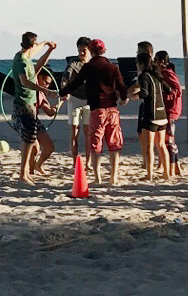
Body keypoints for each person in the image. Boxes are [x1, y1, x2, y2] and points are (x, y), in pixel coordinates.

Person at [58, 38, 126, 186]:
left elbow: (75, 83)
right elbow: (121, 86)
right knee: (114, 143)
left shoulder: (88, 67)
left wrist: (62, 92)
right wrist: (124, 97)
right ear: (104, 51)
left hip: (97, 109)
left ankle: (98, 178)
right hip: (112, 109)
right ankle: (113, 177)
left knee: (96, 144)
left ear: (91, 51)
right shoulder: (113, 67)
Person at [10, 32, 56, 183]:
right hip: (23, 105)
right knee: (29, 141)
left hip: (30, 105)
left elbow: (37, 66)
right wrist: (45, 90)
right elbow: (25, 82)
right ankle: (23, 175)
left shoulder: (25, 57)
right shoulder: (21, 61)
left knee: (32, 141)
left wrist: (47, 47)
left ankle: (28, 172)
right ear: (31, 46)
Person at [130, 40, 171, 180]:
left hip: (151, 115)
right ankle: (167, 174)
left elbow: (145, 93)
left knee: (148, 147)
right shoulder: (157, 74)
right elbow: (168, 89)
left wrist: (132, 96)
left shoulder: (144, 76)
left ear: (140, 64)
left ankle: (150, 175)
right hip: (162, 114)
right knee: (161, 145)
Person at [153, 50, 185, 178]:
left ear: (161, 61)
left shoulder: (167, 73)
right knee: (170, 140)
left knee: (168, 141)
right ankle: (176, 167)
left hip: (170, 111)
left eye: (155, 60)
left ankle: (172, 169)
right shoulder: (164, 73)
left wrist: (165, 95)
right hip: (169, 110)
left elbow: (178, 91)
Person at [61, 37, 92, 160]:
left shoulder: (92, 63)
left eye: (84, 50)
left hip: (89, 101)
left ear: (89, 50)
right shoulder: (74, 63)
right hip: (74, 99)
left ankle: (88, 161)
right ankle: (75, 160)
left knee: (88, 132)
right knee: (74, 131)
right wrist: (64, 90)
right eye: (79, 50)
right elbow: (65, 78)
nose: (81, 53)